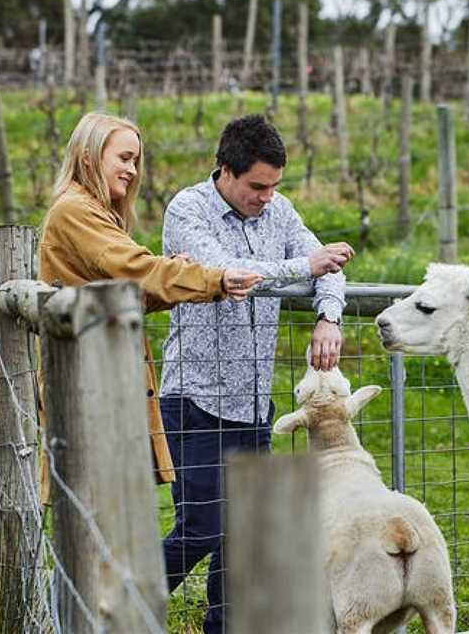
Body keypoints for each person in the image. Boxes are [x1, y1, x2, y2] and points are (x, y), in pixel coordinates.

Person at [159, 114, 355, 633]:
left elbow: (329, 267)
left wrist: (327, 318)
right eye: (257, 186)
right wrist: (303, 267)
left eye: (274, 186)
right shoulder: (188, 210)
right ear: (225, 171)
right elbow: (229, 274)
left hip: (251, 402)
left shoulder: (280, 211)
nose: (267, 196)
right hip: (194, 397)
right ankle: (113, 603)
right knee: (202, 527)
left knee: (244, 537)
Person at [38, 112, 263, 503]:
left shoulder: (93, 212)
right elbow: (136, 269)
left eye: (135, 160)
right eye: (123, 158)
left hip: (99, 378)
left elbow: (127, 291)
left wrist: (187, 280)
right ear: (89, 156)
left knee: (107, 514)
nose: (132, 169)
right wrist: (213, 278)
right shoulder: (76, 211)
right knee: (99, 515)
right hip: (88, 380)